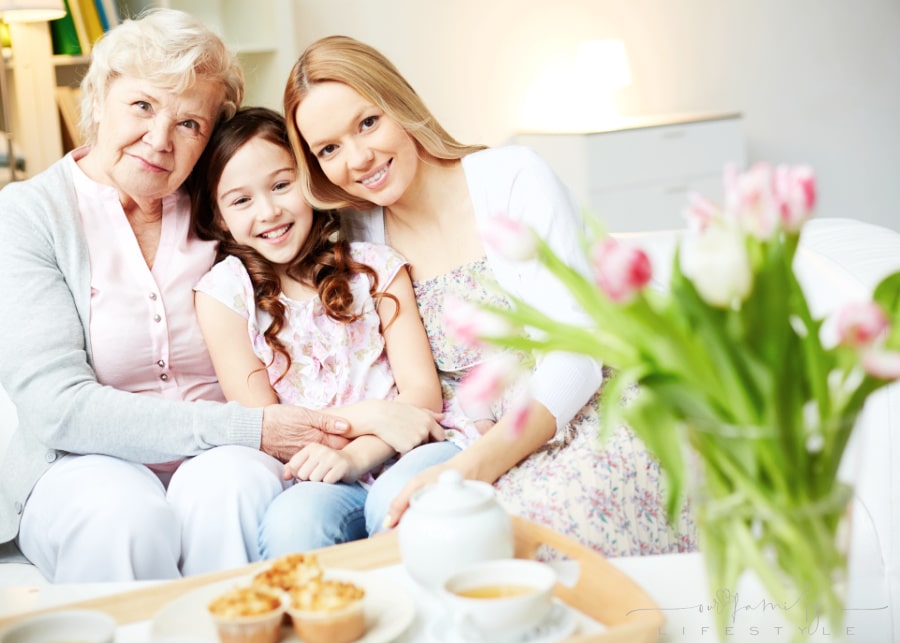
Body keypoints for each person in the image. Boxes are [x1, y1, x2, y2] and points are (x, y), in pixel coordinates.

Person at [0, 12, 435, 584]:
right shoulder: (27, 216)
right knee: (119, 517)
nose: (160, 140)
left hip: (226, 453)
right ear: (100, 97)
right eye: (142, 106)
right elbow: (58, 407)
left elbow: (331, 224)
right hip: (86, 459)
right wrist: (253, 429)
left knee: (234, 488)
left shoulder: (222, 205)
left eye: (190, 123)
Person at [280, 35, 697, 556]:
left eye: (367, 123)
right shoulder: (358, 231)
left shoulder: (511, 178)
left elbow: (576, 360)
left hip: (578, 407)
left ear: (400, 106)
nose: (358, 158)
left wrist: (467, 469)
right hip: (463, 433)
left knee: (525, 535)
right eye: (329, 150)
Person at [190, 107, 451, 553]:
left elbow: (422, 398)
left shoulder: (376, 267)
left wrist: (357, 453)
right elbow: (266, 425)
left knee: (399, 502)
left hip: (413, 446)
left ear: (309, 181)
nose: (269, 211)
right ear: (217, 217)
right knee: (293, 524)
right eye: (241, 200)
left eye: (280, 185)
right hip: (318, 471)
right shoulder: (224, 296)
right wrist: (373, 415)